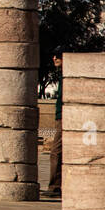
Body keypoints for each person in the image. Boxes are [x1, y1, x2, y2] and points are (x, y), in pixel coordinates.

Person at [43, 53, 62, 199]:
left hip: (64, 116)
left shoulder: (67, 76)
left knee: (56, 151)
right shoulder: (62, 75)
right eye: (54, 55)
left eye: (58, 56)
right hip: (60, 116)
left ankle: (55, 186)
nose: (54, 58)